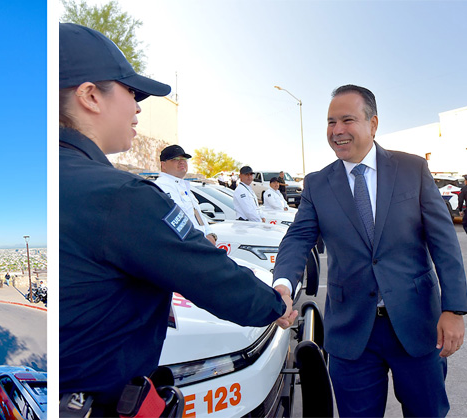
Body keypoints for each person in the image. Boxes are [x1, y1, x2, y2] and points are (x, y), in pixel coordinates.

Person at [58, 22, 295, 416]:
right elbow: (208, 275)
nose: (137, 107)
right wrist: (275, 305)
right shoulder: (119, 195)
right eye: (131, 93)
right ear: (90, 96)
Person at [272, 84, 467, 418]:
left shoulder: (412, 170)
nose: (337, 131)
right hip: (352, 334)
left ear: (373, 124)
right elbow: (297, 239)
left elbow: (444, 243)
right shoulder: (318, 184)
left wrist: (455, 309)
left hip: (417, 323)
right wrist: (283, 286)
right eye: (331, 122)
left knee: (428, 412)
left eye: (347, 120)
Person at [154, 145, 217, 245]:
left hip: (200, 245)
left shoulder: (184, 187)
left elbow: (197, 215)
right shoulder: (159, 188)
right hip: (185, 248)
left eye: (184, 159)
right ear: (163, 165)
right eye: (175, 159)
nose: (182, 162)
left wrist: (210, 234)